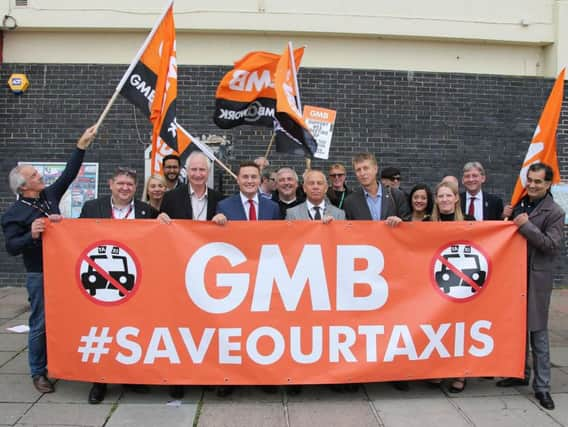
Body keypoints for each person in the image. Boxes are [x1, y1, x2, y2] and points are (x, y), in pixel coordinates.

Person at [2, 125, 97, 394]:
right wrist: (31, 234)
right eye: (34, 175)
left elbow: (68, 175)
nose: (40, 176)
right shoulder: (14, 214)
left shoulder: (48, 197)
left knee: (67, 319)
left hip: (63, 272)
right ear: (24, 186)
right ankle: (38, 371)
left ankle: (66, 361)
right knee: (40, 322)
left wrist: (81, 145)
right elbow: (11, 247)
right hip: (40, 274)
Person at [80, 167, 158, 404]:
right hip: (103, 281)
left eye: (130, 185)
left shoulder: (147, 211)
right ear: (110, 184)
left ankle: (129, 377)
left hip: (134, 281)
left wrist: (164, 220)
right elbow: (77, 235)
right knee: (103, 329)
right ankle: (99, 382)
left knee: (131, 331)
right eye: (121, 183)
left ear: (136, 188)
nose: (125, 188)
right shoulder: (92, 207)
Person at [496, 163, 564, 411]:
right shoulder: (519, 204)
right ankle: (518, 373)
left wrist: (525, 224)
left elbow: (551, 245)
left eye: (538, 182)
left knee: (538, 333)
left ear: (548, 184)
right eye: (530, 180)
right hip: (513, 278)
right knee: (516, 330)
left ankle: (543, 387)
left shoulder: (554, 211)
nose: (532, 185)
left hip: (536, 280)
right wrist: (506, 217)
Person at [427, 180, 474, 393]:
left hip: (461, 285)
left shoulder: (471, 222)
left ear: (456, 198)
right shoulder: (427, 223)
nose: (445, 200)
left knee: (460, 330)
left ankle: (459, 373)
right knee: (438, 330)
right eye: (441, 196)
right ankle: (438, 370)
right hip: (434, 285)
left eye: (449, 195)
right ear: (436, 200)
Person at [343, 153, 409, 226]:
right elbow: (348, 231)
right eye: (358, 170)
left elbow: (408, 224)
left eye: (366, 168)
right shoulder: (350, 202)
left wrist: (401, 222)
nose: (362, 173)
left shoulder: (396, 195)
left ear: (375, 169)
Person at [159, 151, 224, 222]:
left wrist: (223, 219)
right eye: (194, 169)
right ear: (187, 171)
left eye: (202, 169)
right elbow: (163, 229)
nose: (198, 174)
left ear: (208, 172)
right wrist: (160, 219)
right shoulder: (170, 198)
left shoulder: (219, 200)